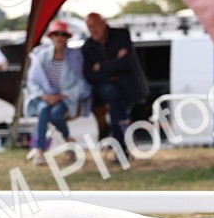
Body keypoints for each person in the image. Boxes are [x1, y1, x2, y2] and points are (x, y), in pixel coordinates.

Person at [81, 12, 148, 161]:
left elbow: (126, 62)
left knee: (117, 113)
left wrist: (101, 67)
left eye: (95, 24)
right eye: (89, 26)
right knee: (115, 99)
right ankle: (122, 147)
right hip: (106, 90)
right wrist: (115, 62)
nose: (93, 29)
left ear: (104, 22)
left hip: (128, 88)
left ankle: (121, 145)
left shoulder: (121, 35)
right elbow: (89, 75)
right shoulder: (88, 47)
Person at [23, 20, 89, 165]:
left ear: (67, 37)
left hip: (65, 99)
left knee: (55, 114)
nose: (59, 37)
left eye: (63, 34)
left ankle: (67, 140)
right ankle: (40, 151)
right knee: (43, 110)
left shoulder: (74, 57)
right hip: (44, 98)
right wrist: (43, 96)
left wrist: (61, 95)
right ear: (51, 37)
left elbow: (81, 83)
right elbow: (32, 81)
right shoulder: (41, 56)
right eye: (56, 34)